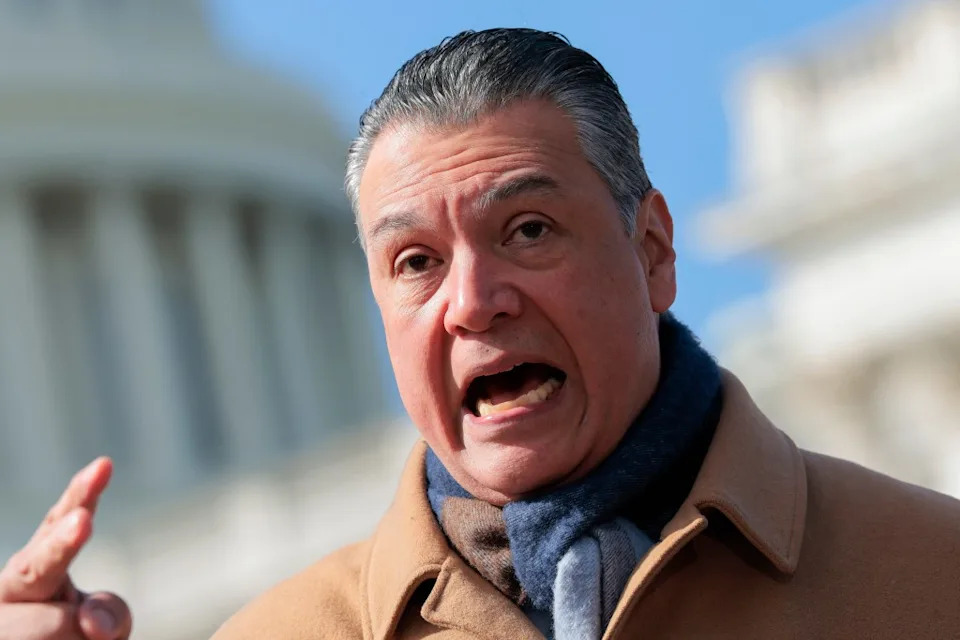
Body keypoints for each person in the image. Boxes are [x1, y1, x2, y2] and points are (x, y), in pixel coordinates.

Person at [2, 27, 959, 640]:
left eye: (527, 231)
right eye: (415, 261)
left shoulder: (927, 574)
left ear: (655, 251)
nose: (473, 300)